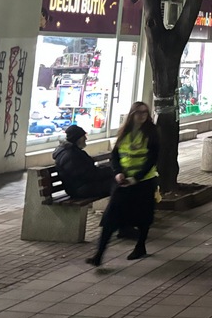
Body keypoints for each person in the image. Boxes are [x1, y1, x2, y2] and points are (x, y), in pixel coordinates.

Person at [86, 102, 159, 266]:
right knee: (110, 218)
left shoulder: (151, 132)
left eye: (145, 113)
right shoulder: (124, 132)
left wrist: (137, 178)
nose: (142, 116)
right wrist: (118, 172)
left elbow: (152, 158)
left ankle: (140, 246)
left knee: (143, 217)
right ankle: (99, 254)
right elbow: (115, 156)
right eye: (138, 113)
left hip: (144, 182)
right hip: (123, 181)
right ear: (131, 114)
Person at [54, 125, 116, 198]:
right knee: (118, 184)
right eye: (83, 136)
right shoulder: (71, 155)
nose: (86, 138)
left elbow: (86, 172)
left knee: (117, 180)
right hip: (80, 190)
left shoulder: (71, 151)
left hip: (81, 186)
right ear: (77, 138)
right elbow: (87, 175)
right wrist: (109, 171)